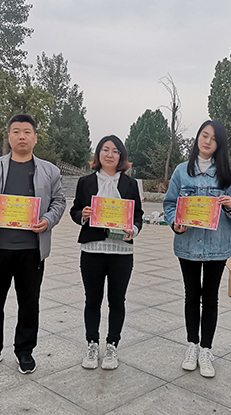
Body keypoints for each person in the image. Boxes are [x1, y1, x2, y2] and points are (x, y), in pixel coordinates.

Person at [0, 113, 66, 374]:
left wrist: (48, 220)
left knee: (29, 303)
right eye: (16, 132)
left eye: (27, 132)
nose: (22, 136)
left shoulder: (49, 170)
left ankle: (25, 351)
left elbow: (59, 201)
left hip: (31, 250)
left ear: (35, 137)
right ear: (9, 136)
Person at [163, 120, 231, 378]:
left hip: (216, 247)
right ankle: (192, 345)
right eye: (204, 135)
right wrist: (175, 223)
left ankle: (207, 349)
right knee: (191, 295)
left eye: (214, 138)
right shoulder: (181, 171)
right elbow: (169, 204)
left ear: (219, 144)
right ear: (197, 137)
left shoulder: (227, 174)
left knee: (210, 298)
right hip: (187, 244)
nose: (208, 141)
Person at [69, 135, 143, 370]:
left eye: (115, 151)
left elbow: (138, 215)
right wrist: (83, 215)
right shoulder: (86, 182)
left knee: (117, 300)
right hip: (92, 248)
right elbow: (75, 210)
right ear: (98, 153)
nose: (110, 154)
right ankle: (92, 343)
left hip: (121, 251)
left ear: (121, 156)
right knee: (92, 299)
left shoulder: (131, 184)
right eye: (105, 149)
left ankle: (112, 345)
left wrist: (134, 229)